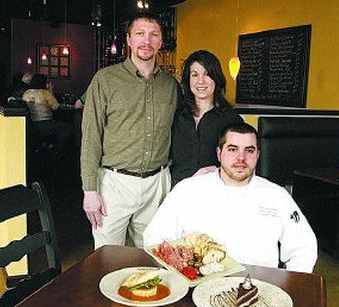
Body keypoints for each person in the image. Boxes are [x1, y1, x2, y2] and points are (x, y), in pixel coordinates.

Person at [144, 122, 318, 273]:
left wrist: (287, 284)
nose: (241, 158)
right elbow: (155, 237)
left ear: (257, 155)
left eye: (249, 151)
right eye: (233, 149)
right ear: (219, 154)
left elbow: (303, 249)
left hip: (258, 285)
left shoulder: (277, 196)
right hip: (197, 282)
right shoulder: (187, 189)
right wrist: (179, 272)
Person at [81, 12, 179, 249]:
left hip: (157, 183)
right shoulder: (105, 80)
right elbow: (91, 136)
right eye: (140, 34)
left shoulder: (171, 85)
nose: (147, 40)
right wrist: (89, 190)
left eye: (154, 34)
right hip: (114, 184)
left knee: (153, 256)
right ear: (128, 39)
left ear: (160, 42)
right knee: (107, 257)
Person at [171, 50, 243, 185]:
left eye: (207, 74)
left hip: (216, 190)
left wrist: (218, 170)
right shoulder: (177, 116)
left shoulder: (230, 119)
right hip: (178, 190)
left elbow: (242, 160)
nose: (200, 81)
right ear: (188, 80)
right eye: (194, 75)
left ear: (216, 78)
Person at [22, 73, 72, 153]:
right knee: (68, 128)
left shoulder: (26, 93)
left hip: (31, 125)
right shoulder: (45, 93)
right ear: (43, 83)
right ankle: (54, 149)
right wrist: (51, 91)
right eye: (46, 82)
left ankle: (45, 146)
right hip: (46, 124)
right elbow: (56, 106)